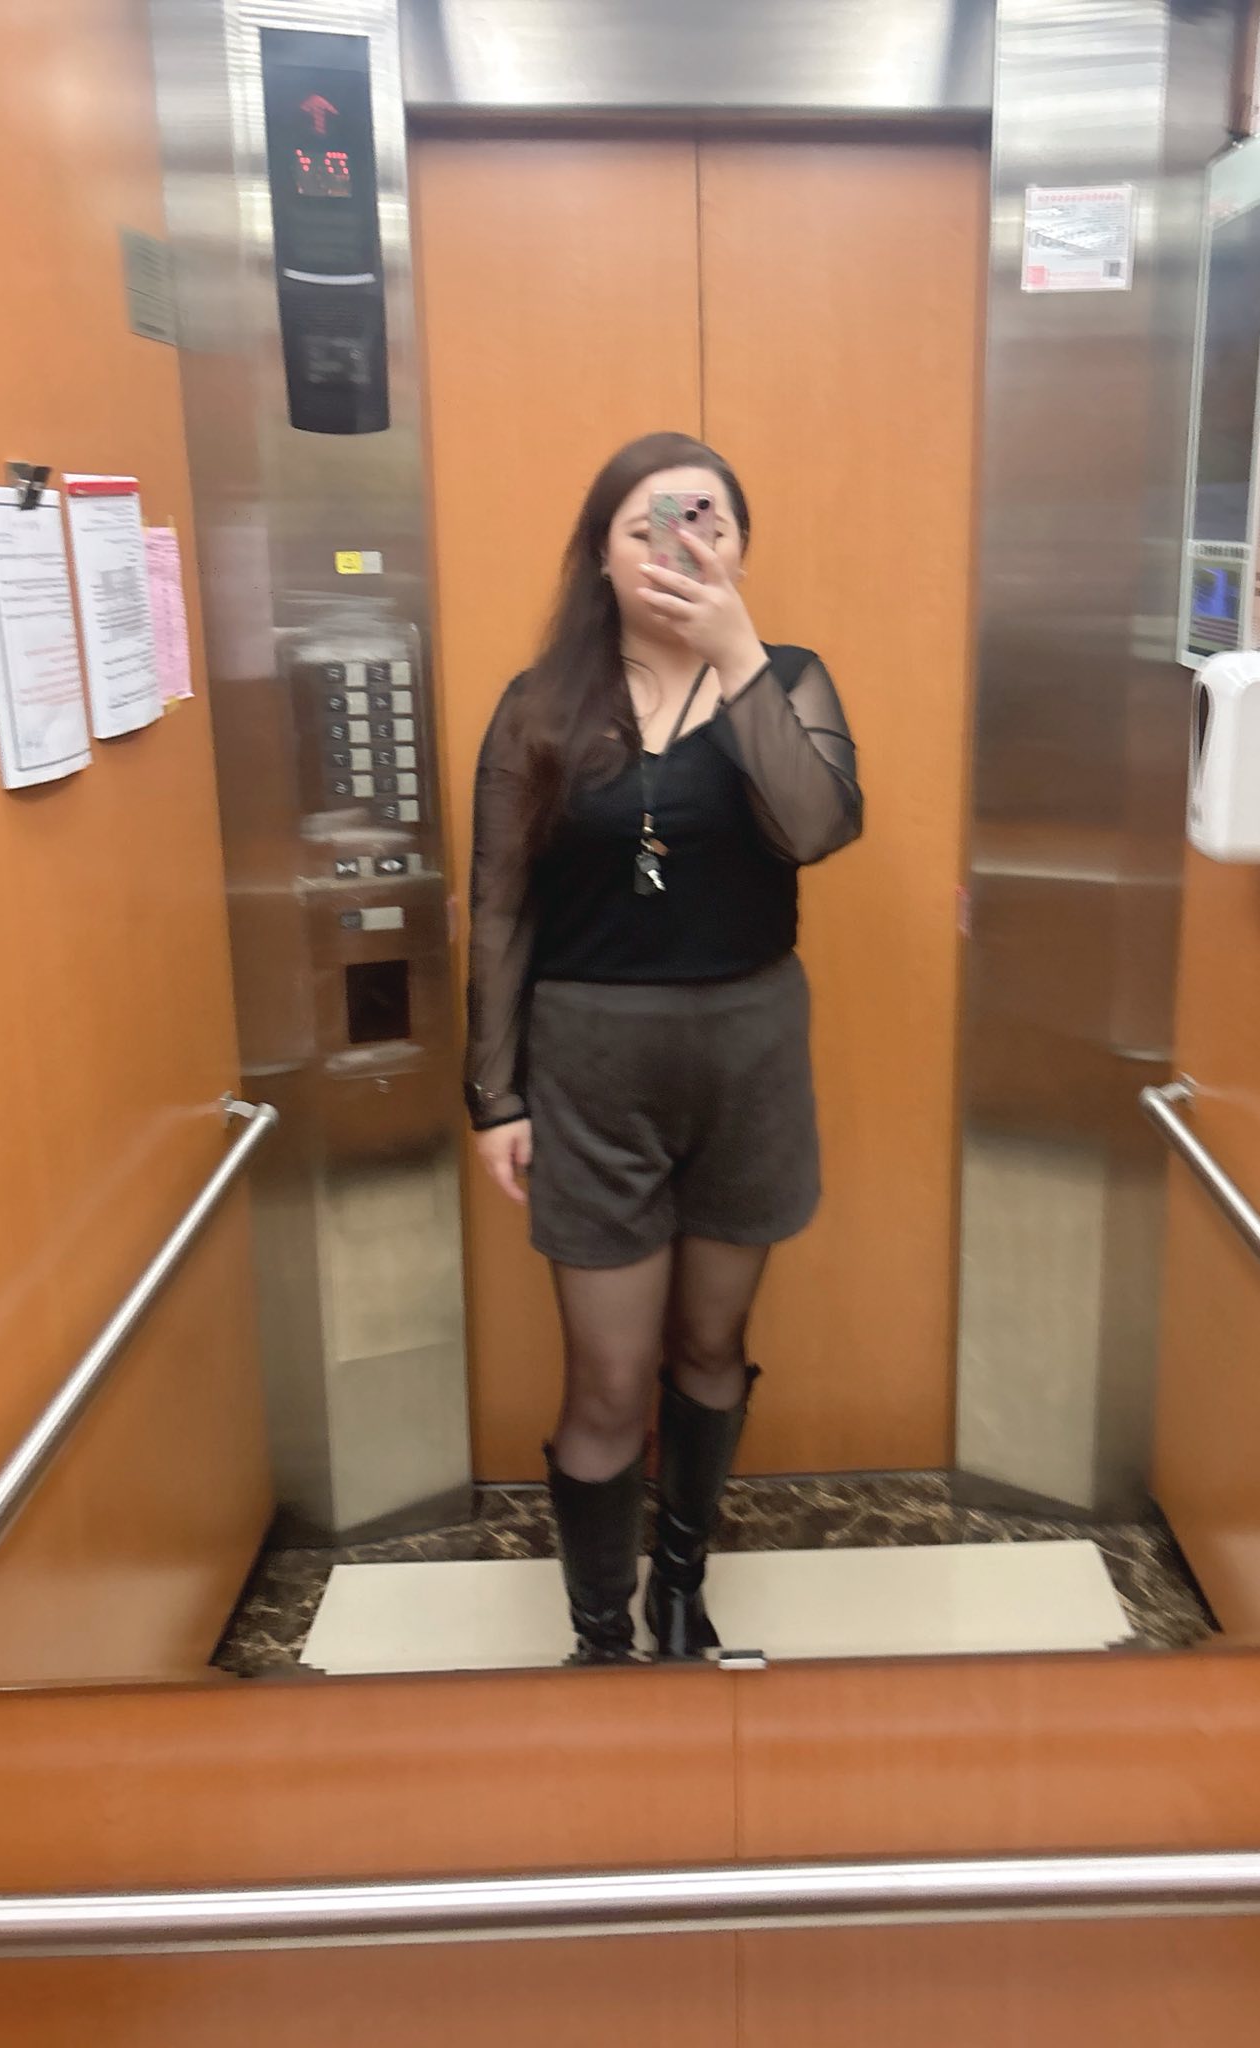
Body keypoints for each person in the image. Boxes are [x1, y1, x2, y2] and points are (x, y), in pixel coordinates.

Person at [463, 430, 863, 1663]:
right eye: (645, 526)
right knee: (605, 1377)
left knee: (710, 1345)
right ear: (599, 552)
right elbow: (498, 907)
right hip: (590, 1066)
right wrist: (494, 1095)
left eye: (705, 525)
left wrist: (736, 654)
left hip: (749, 1054)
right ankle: (599, 1636)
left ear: (738, 549)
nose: (675, 548)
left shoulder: (785, 678)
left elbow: (816, 829)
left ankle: (679, 1589)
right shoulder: (537, 705)